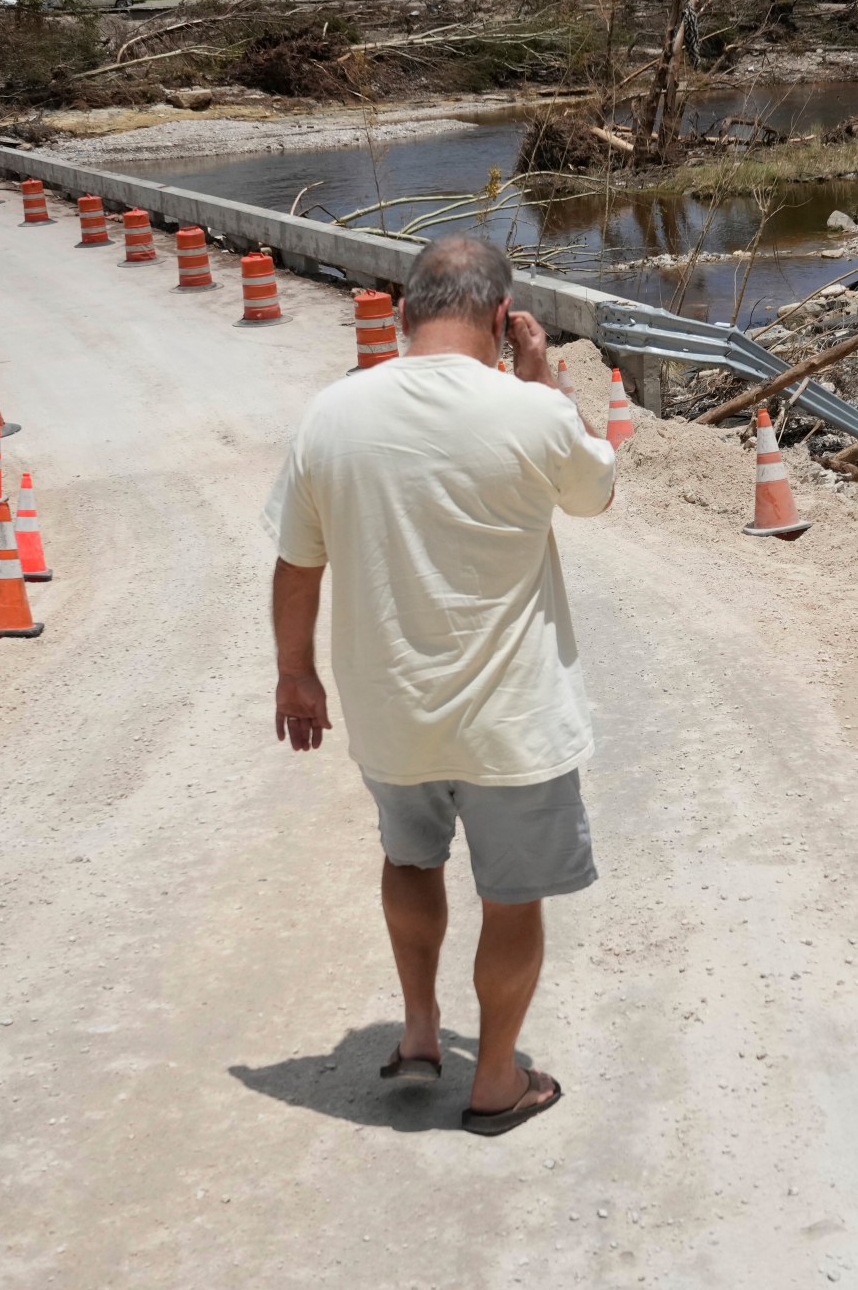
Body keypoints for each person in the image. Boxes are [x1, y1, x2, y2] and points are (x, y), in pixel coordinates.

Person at [265, 237, 617, 1137]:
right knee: (512, 896)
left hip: (392, 714)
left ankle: (420, 1034)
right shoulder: (527, 410)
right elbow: (593, 496)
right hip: (512, 723)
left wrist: (295, 674)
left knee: (409, 859)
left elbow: (297, 566)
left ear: (401, 313)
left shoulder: (330, 416)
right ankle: (494, 1080)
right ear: (503, 320)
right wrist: (546, 386)